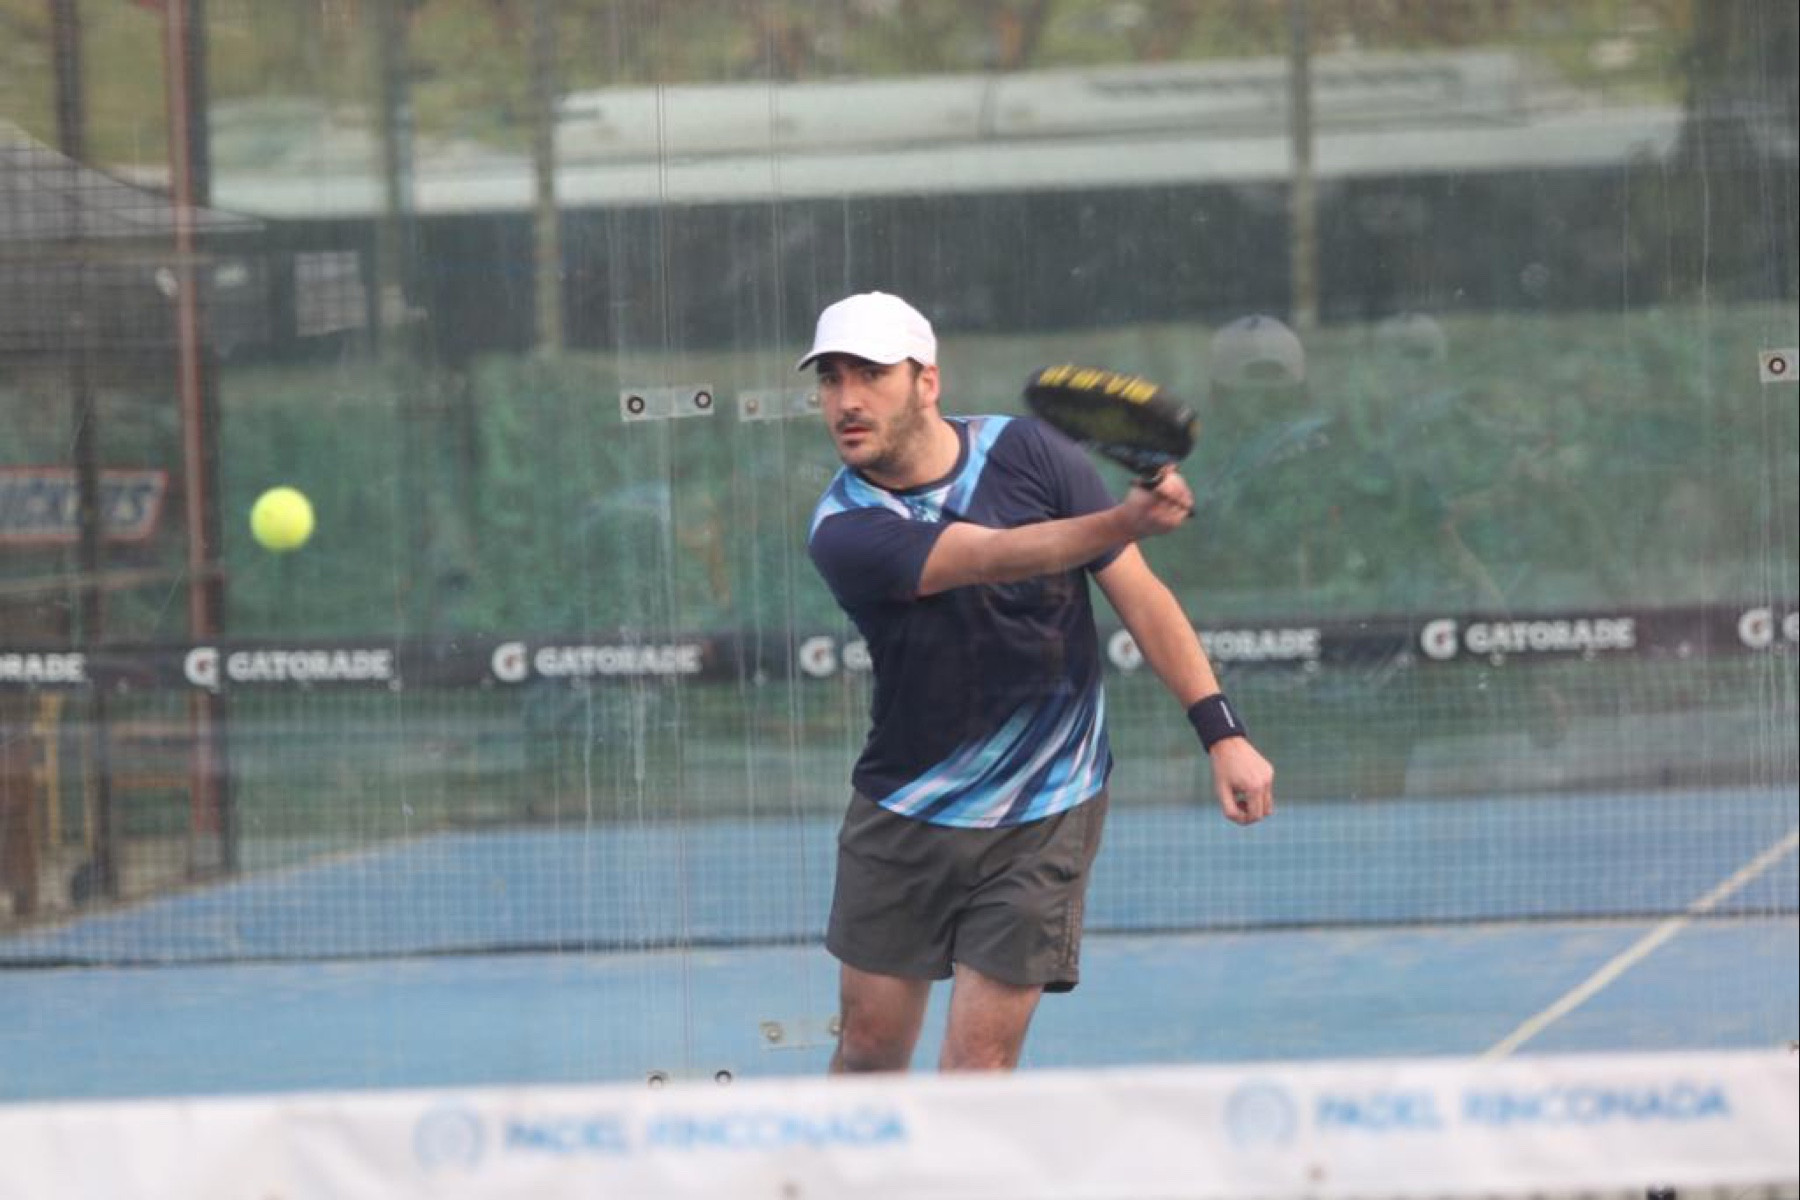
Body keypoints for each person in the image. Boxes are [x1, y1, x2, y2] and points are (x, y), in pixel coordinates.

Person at [799, 291, 1275, 1073]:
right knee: (869, 1055)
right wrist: (1125, 520)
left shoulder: (1030, 453)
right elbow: (991, 555)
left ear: (926, 382)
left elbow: (1141, 596)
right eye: (831, 379)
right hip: (905, 810)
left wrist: (1222, 732)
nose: (847, 400)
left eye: (871, 374)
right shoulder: (844, 528)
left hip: (1048, 808)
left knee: (979, 1067)